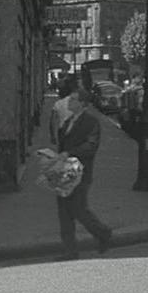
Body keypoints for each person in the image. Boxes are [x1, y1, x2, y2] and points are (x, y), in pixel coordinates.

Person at [55, 88, 112, 260]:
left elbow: (91, 146)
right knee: (64, 211)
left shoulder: (91, 122)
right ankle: (70, 251)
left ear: (82, 104)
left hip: (81, 171)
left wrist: (69, 153)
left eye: (73, 100)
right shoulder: (68, 120)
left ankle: (103, 233)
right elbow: (62, 142)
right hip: (64, 171)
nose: (69, 103)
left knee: (79, 209)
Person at [50, 79, 75, 146]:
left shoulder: (57, 104)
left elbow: (52, 121)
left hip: (62, 130)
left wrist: (53, 136)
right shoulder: (75, 102)